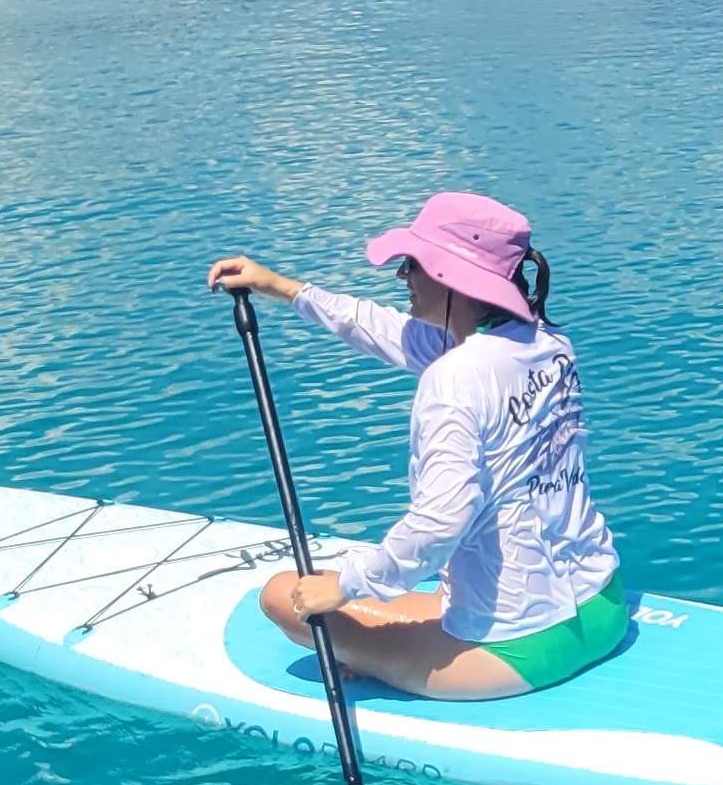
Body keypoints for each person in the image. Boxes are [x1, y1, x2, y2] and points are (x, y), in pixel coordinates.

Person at [203, 192, 629, 699]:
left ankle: (369, 657)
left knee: (282, 597)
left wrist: (346, 584)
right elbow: (388, 331)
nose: (402, 276)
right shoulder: (548, 343)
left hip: (519, 647)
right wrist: (284, 289)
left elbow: (438, 525)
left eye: (413, 263)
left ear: (453, 277)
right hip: (604, 606)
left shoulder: (452, 380)